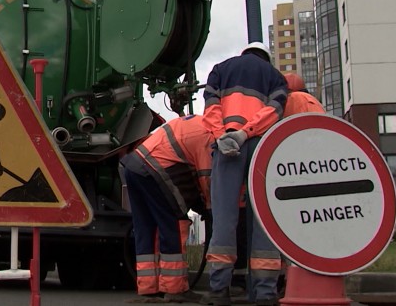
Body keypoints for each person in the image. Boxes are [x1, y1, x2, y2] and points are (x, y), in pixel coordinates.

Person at [201, 42, 287, 306]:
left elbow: (211, 107)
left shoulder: (220, 69)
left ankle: (219, 291)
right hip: (262, 147)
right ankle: (265, 292)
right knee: (263, 219)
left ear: (244, 53)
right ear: (266, 58)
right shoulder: (275, 77)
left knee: (225, 217)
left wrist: (223, 136)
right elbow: (274, 112)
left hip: (227, 146)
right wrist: (247, 132)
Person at [121, 114, 214, 303]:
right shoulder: (209, 135)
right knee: (173, 223)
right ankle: (175, 289)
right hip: (156, 166)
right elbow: (206, 178)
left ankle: (148, 289)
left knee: (146, 227)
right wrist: (210, 208)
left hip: (134, 165)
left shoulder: (197, 122)